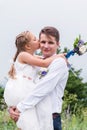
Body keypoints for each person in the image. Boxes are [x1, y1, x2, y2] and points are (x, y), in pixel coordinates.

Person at [9, 26, 69, 130]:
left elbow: (43, 88)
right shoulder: (36, 62)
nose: (46, 46)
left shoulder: (59, 62)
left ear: (58, 44)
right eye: (43, 42)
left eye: (50, 42)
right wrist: (13, 107)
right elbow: (23, 87)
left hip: (49, 119)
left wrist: (19, 108)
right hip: (32, 115)